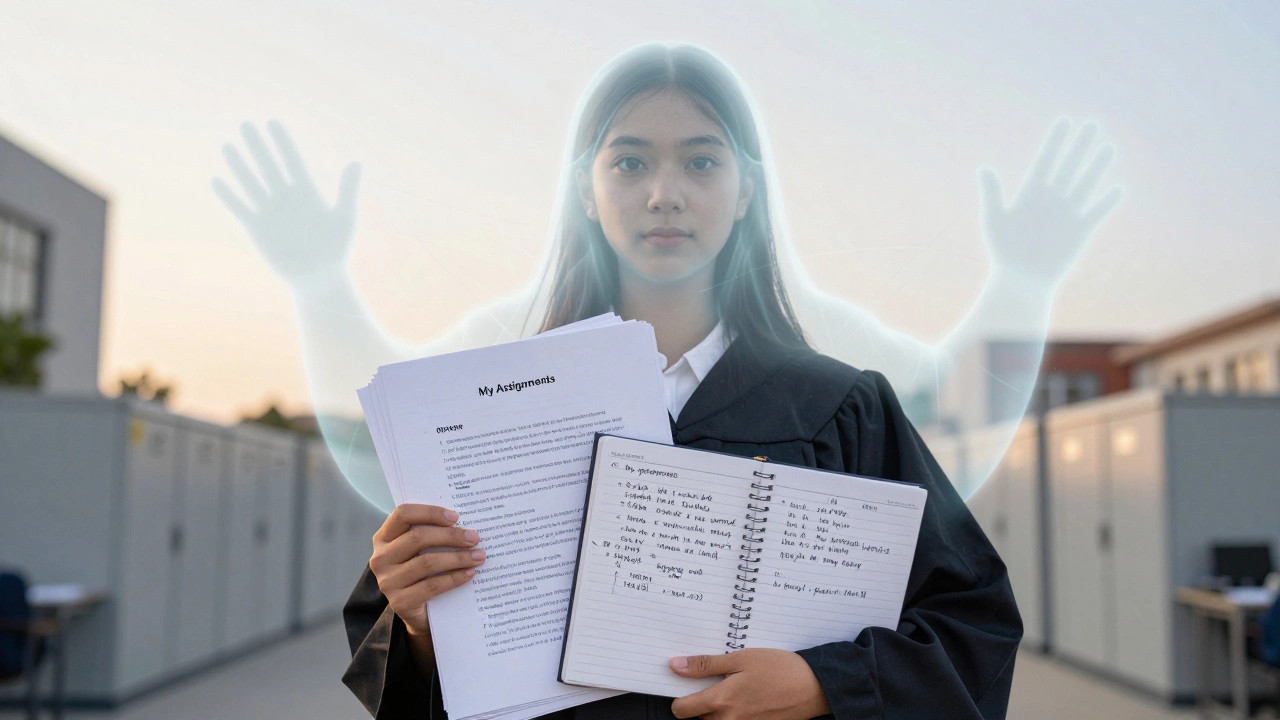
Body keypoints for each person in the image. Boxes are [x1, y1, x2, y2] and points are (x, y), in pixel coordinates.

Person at [339, 43, 1023, 719]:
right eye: (631, 162)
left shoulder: (840, 409)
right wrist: (421, 624)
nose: (665, 195)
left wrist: (825, 685)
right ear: (586, 188)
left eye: (701, 161)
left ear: (746, 188)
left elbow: (971, 624)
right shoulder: (494, 412)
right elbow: (401, 667)